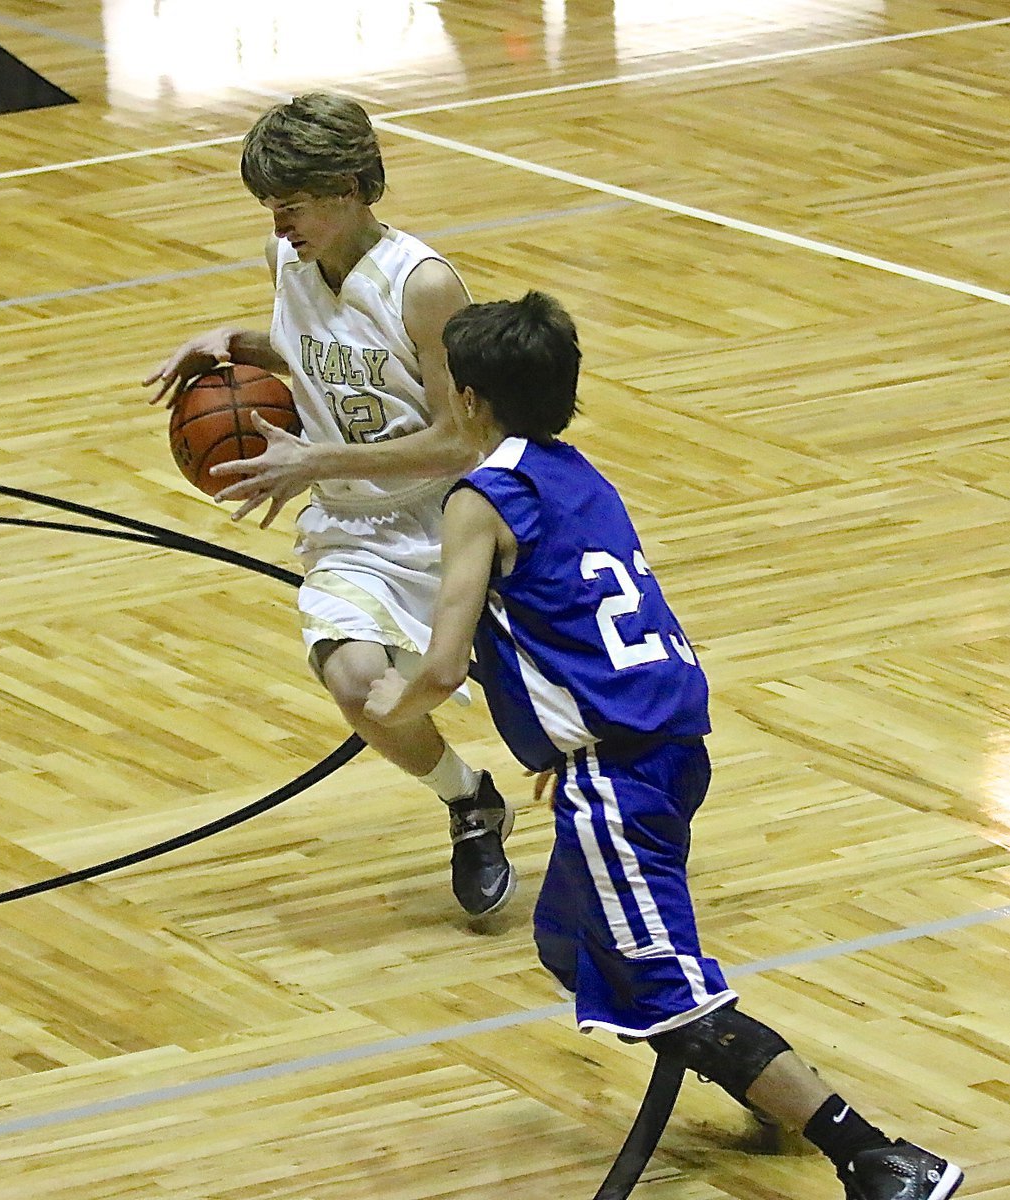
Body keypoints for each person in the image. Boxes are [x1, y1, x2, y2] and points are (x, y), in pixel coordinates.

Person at [364, 291, 963, 1200]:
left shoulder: (479, 500)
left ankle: (877, 1156)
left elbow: (444, 668)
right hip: (668, 746)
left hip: (617, 774)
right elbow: (569, 624)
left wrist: (387, 702)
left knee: (666, 994)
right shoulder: (578, 472)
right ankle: (759, 1078)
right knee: (569, 939)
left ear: (472, 399)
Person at [143, 93, 515, 919]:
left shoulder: (423, 285)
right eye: (270, 207)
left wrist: (312, 457)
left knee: (561, 709)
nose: (278, 224)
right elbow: (332, 360)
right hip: (353, 523)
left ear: (349, 188)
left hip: (454, 516)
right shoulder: (291, 263)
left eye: (292, 205)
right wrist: (241, 344)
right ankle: (470, 802)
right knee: (356, 684)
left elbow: (462, 441)